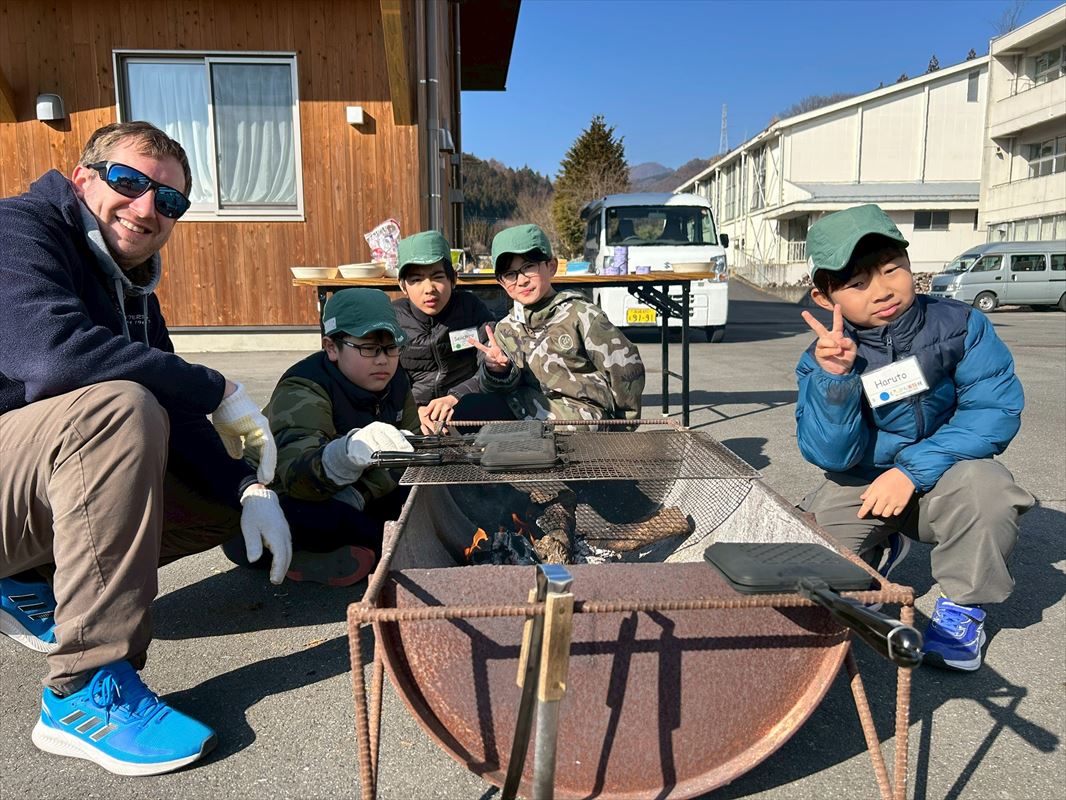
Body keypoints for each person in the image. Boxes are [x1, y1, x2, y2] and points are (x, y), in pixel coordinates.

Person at [0, 121, 290, 775]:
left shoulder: (128, 285)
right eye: (129, 182)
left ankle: (24, 578)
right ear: (83, 178)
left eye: (170, 200)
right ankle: (83, 689)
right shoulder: (17, 230)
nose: (147, 207)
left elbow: (179, 414)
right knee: (118, 411)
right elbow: (52, 357)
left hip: (18, 484)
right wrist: (217, 386)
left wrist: (245, 487)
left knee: (207, 488)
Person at [795, 204, 1034, 672]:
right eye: (857, 283)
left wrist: (910, 472)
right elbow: (831, 456)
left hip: (948, 474)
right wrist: (835, 381)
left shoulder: (961, 325)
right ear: (824, 297)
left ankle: (963, 608)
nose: (882, 291)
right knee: (807, 565)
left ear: (909, 264)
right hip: (865, 482)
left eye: (892, 270)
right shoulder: (821, 359)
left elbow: (994, 412)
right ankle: (879, 549)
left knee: (989, 492)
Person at [231, 288, 418, 586]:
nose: (383, 360)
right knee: (353, 527)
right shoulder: (303, 387)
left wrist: (358, 494)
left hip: (351, 491)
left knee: (416, 501)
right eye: (369, 348)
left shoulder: (397, 381)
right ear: (332, 347)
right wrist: (344, 455)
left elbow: (409, 455)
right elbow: (297, 478)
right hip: (275, 501)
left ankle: (335, 554)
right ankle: (308, 555)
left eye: (391, 347)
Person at [470, 223, 645, 425]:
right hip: (529, 414)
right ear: (501, 282)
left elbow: (624, 367)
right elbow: (496, 389)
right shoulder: (506, 329)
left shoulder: (581, 315)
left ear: (551, 266)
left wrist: (623, 425)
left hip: (582, 421)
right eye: (510, 274)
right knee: (471, 408)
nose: (522, 280)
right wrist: (497, 371)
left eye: (529, 267)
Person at [391, 230, 495, 433]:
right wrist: (413, 411)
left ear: (453, 279)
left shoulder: (471, 309)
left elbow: (488, 363)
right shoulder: (393, 319)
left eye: (437, 277)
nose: (429, 288)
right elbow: (388, 380)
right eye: (416, 280)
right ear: (403, 286)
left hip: (463, 410)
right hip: (413, 415)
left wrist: (456, 396)